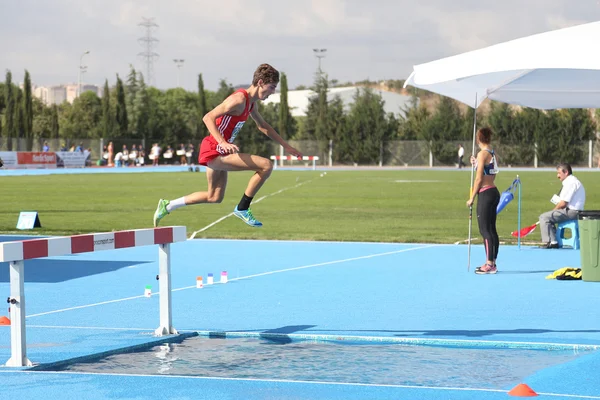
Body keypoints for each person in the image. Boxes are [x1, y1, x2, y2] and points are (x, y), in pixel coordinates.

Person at [153, 63, 302, 228]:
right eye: (272, 87)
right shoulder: (238, 99)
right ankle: (243, 207)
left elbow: (263, 126)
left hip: (219, 150)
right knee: (266, 165)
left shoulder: (251, 104)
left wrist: (286, 146)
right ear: (260, 83)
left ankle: (168, 206)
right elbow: (208, 117)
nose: (273, 92)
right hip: (214, 150)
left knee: (214, 197)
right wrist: (222, 142)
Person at [466, 127, 500, 274]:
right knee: (491, 229)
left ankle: (489, 263)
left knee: (484, 229)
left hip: (485, 193)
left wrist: (472, 197)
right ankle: (492, 260)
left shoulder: (482, 154)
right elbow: (490, 172)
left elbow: (479, 178)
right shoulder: (491, 153)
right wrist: (476, 163)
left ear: (478, 139)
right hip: (493, 191)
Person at [538, 163, 585, 249]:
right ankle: (553, 240)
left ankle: (551, 242)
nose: (557, 176)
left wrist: (553, 211)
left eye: (559, 173)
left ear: (566, 172)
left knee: (544, 217)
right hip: (573, 211)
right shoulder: (571, 181)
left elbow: (563, 203)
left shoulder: (571, 183)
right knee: (548, 216)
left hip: (572, 212)